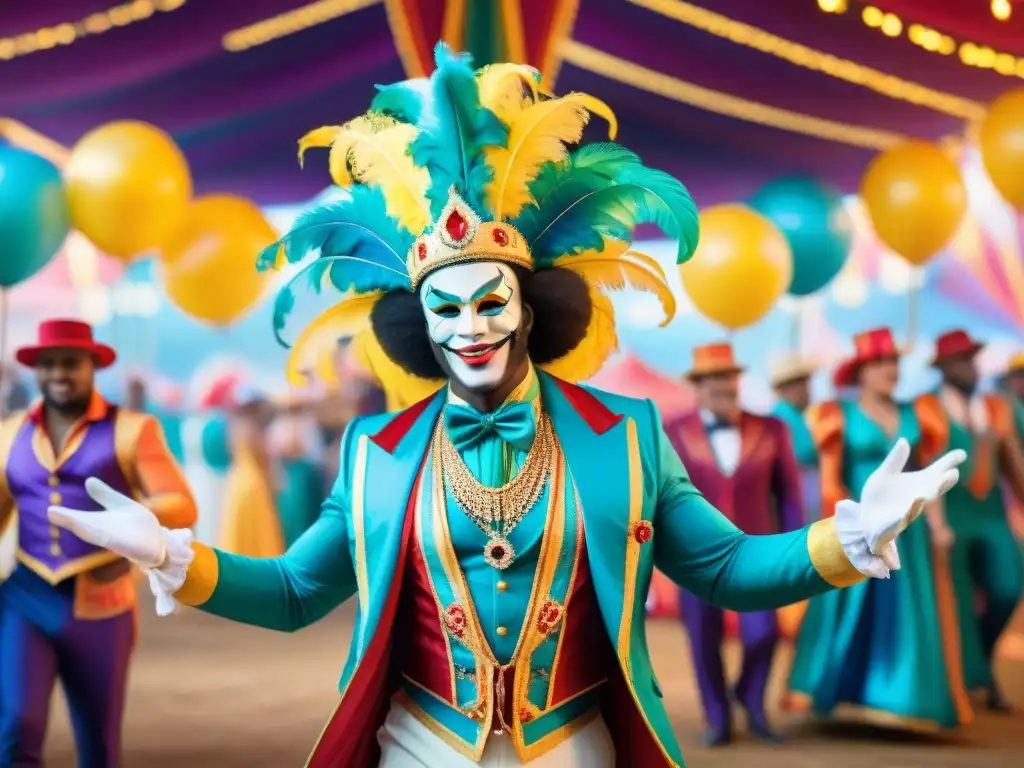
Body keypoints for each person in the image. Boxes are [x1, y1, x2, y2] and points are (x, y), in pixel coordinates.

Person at [47, 47, 964, 767]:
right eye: (446, 309)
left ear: (533, 308)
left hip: (573, 747)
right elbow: (295, 592)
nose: (471, 326)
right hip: (419, 746)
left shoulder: (627, 437)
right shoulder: (375, 448)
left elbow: (722, 567)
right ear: (421, 326)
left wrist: (848, 541)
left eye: (492, 302)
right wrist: (173, 552)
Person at [0, 319, 197, 766]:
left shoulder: (132, 429)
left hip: (102, 604)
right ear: (36, 371)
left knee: (98, 745)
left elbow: (180, 503)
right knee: (15, 728)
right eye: (48, 365)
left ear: (92, 366)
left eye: (70, 363)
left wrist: (125, 530)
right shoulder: (9, 433)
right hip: (24, 597)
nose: (59, 374)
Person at [787, 327, 973, 731]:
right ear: (862, 372)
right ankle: (841, 690)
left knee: (904, 611)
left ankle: (898, 696)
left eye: (894, 362)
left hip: (908, 531)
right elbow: (829, 480)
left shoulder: (917, 413)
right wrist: (848, 525)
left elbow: (930, 478)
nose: (891, 370)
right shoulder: (839, 415)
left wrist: (939, 526)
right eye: (882, 363)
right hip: (857, 527)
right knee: (851, 605)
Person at [665, 343, 804, 745]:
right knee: (703, 636)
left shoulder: (773, 429)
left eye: (731, 377)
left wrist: (793, 548)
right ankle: (717, 718)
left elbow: (790, 495)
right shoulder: (672, 430)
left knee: (764, 633)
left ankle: (751, 698)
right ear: (699, 386)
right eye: (716, 378)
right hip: (696, 553)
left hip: (757, 552)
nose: (726, 386)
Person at [916, 329, 1024, 711]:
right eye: (961, 360)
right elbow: (926, 466)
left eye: (972, 358)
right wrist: (936, 523)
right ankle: (968, 679)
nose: (970, 367)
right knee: (955, 601)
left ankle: (983, 659)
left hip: (991, 515)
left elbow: (1013, 463)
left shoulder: (997, 408)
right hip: (951, 515)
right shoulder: (927, 407)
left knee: (1008, 586)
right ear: (944, 367)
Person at [770, 354, 819, 520]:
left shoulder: (795, 417)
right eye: (803, 383)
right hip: (797, 505)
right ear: (789, 387)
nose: (808, 389)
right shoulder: (780, 419)